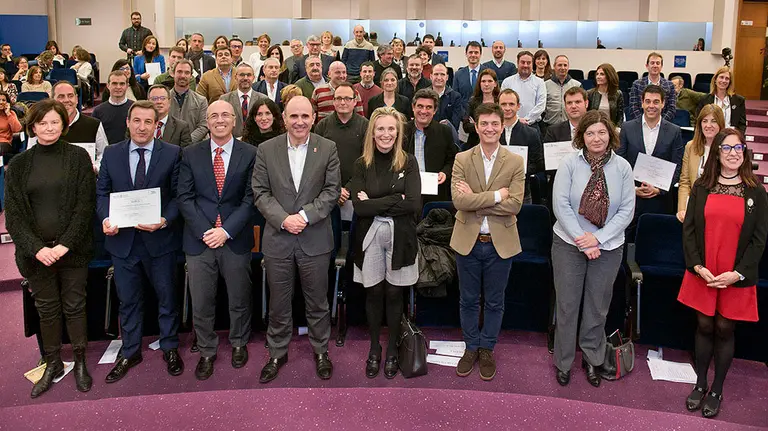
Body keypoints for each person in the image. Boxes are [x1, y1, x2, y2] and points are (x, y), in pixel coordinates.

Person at [4, 99, 96, 398]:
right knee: (47, 310)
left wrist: (65, 244)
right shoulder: (18, 165)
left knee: (75, 306)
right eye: (43, 123)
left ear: (63, 124)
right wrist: (37, 249)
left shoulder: (78, 157)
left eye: (55, 122)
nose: (49, 128)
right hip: (36, 255)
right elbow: (14, 215)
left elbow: (85, 206)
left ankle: (80, 361)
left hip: (73, 250)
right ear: (33, 126)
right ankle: (54, 363)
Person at [678, 129, 767, 419]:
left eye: (738, 147)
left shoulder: (756, 191)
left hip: (735, 275)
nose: (733, 152)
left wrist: (737, 274)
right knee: (704, 326)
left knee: (724, 329)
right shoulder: (703, 186)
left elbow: (759, 240)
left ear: (745, 151)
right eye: (726, 148)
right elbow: (689, 229)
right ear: (716, 153)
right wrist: (698, 267)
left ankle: (717, 388)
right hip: (704, 271)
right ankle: (701, 381)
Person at [252, 96, 340, 383]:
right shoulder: (266, 149)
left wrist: (303, 216)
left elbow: (331, 191)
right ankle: (277, 352)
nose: (299, 121)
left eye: (305, 116)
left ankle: (321, 351)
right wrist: (283, 219)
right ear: (284, 119)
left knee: (317, 302)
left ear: (314, 118)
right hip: (278, 239)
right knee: (279, 302)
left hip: (314, 238)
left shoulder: (327, 148)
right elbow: (260, 193)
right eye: (293, 116)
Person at [97, 100, 184, 383]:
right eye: (137, 121)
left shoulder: (172, 153)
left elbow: (177, 197)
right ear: (128, 122)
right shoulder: (111, 154)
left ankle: (170, 346)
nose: (142, 127)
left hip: (160, 241)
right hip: (123, 243)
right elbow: (102, 194)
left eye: (149, 122)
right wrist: (105, 219)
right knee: (129, 301)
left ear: (157, 126)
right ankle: (130, 350)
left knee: (167, 298)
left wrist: (165, 219)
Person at [551, 110, 635, 387]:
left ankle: (592, 359)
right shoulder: (569, 164)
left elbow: (626, 211)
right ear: (581, 137)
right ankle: (563, 362)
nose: (596, 138)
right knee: (567, 305)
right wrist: (582, 239)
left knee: (597, 308)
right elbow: (560, 204)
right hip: (568, 243)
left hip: (608, 247)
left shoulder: (622, 167)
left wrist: (597, 239)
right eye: (590, 133)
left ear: (610, 135)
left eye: (601, 132)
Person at [177, 100, 258, 380]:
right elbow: (184, 198)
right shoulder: (190, 154)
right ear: (207, 121)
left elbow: (251, 199)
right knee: (202, 301)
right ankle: (207, 350)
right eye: (214, 115)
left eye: (225, 115)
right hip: (200, 240)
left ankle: (239, 343)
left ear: (235, 120)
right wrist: (207, 231)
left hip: (234, 237)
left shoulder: (250, 153)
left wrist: (226, 230)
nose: (220, 119)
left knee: (239, 297)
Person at [451, 102, 525, 381]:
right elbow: (459, 201)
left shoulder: (515, 161)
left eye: (495, 123)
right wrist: (497, 196)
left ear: (502, 125)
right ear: (477, 126)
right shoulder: (462, 159)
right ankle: (471, 346)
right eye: (485, 124)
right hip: (468, 240)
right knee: (468, 300)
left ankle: (487, 348)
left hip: (500, 242)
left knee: (495, 301)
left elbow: (516, 204)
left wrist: (475, 201)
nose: (490, 128)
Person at [348, 107, 420, 379]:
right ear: (372, 133)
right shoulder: (361, 164)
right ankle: (375, 347)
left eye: (391, 129)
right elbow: (359, 207)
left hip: (401, 237)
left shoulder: (408, 162)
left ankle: (392, 349)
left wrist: (374, 203)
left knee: (394, 294)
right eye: (381, 129)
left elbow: (414, 204)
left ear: (398, 133)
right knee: (374, 293)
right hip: (369, 237)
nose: (386, 134)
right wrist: (394, 201)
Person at [618, 85, 684, 229]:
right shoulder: (627, 128)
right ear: (642, 103)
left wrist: (659, 190)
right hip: (631, 199)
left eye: (655, 102)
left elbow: (677, 166)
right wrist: (633, 189)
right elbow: (619, 162)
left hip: (661, 202)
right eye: (647, 101)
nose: (651, 106)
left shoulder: (675, 131)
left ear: (663, 103)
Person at [27, 81, 109, 172]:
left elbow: (104, 154)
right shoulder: (42, 127)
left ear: (77, 99)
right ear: (52, 99)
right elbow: (31, 155)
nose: (66, 100)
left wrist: (95, 168)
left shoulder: (94, 125)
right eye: (61, 96)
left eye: (70, 96)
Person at [315, 82, 369, 203]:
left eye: (347, 98)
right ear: (333, 101)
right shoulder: (322, 126)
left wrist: (348, 188)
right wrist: (335, 189)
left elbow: (368, 160)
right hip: (327, 191)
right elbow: (317, 162)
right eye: (338, 98)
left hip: (357, 191)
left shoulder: (365, 126)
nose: (342, 102)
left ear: (355, 102)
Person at [403, 88, 458, 203]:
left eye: (429, 107)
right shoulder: (402, 131)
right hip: (406, 191)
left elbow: (452, 159)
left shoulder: (444, 131)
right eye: (420, 106)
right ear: (413, 107)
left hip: (435, 192)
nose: (423, 111)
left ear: (435, 110)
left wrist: (444, 173)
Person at [676, 104, 725, 222]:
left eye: (713, 121)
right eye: (705, 121)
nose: (708, 125)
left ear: (720, 124)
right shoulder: (691, 146)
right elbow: (685, 182)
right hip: (694, 206)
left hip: (718, 208)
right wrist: (682, 209)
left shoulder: (727, 148)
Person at [499, 89, 544, 203]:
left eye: (511, 104)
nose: (507, 108)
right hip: (495, 191)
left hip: (522, 192)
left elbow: (538, 163)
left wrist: (518, 171)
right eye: (503, 104)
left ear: (518, 106)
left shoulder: (531, 133)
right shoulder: (491, 133)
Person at [501, 51, 547, 134]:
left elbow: (541, 105)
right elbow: (502, 103)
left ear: (532, 64)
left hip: (532, 126)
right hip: (510, 125)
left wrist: (526, 119)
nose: (525, 65)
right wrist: (517, 120)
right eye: (522, 62)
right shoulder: (507, 82)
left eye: (528, 63)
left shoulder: (540, 82)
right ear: (517, 63)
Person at [695, 66, 746, 135]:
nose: (724, 81)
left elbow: (742, 124)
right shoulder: (704, 100)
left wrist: (737, 138)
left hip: (731, 138)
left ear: (730, 82)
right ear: (715, 80)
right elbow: (698, 122)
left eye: (727, 78)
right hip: (710, 137)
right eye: (721, 77)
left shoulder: (739, 100)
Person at [219, 63, 266, 138]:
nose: (245, 78)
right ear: (235, 77)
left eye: (249, 75)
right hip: (232, 142)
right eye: (242, 75)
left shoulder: (263, 99)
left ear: (253, 77)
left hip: (257, 143)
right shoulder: (225, 99)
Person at [169, 59, 209, 142]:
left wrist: (187, 142)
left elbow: (203, 126)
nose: (183, 76)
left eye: (187, 72)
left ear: (191, 76)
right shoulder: (164, 99)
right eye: (179, 72)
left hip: (193, 147)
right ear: (173, 74)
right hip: (168, 146)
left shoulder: (201, 101)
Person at [629, 52, 677, 122]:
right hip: (640, 125)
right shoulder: (637, 84)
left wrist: (660, 123)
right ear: (647, 66)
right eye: (652, 63)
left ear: (661, 66)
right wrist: (644, 122)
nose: (655, 65)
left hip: (663, 126)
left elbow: (672, 109)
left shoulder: (670, 85)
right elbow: (633, 107)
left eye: (658, 63)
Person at [93, 71, 135, 144]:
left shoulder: (135, 108)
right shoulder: (98, 111)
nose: (118, 87)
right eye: (114, 83)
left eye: (122, 84)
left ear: (127, 86)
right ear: (108, 85)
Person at [543, 55, 581, 134]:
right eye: (560, 65)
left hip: (570, 127)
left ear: (568, 67)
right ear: (554, 66)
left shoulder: (577, 85)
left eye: (565, 65)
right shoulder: (545, 85)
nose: (562, 68)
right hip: (549, 127)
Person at [463, 69, 500, 149]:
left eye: (490, 81)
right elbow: (466, 126)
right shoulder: (472, 101)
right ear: (479, 84)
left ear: (495, 84)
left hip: (497, 143)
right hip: (474, 144)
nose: (486, 84)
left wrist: (476, 124)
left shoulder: (500, 101)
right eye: (483, 81)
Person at [587, 63, 624, 129]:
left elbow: (620, 116)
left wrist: (618, 129)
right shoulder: (590, 93)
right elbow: (587, 114)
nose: (598, 77)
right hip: (594, 128)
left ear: (609, 76)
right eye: (597, 74)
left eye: (602, 74)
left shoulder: (618, 94)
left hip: (612, 129)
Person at [431, 63, 464, 131]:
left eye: (442, 74)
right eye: (436, 74)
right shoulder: (423, 96)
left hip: (448, 137)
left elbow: (455, 124)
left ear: (447, 77)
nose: (439, 77)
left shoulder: (455, 97)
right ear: (431, 76)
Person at [453, 41, 483, 108]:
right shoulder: (458, 74)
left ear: (480, 54)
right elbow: (455, 97)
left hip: (484, 113)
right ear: (466, 54)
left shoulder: (487, 73)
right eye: (470, 52)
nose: (473, 55)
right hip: (463, 114)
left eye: (476, 52)